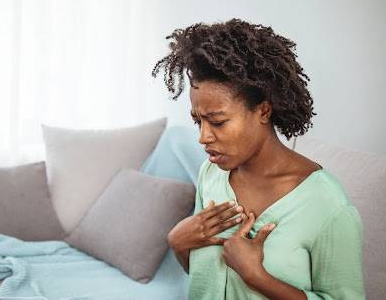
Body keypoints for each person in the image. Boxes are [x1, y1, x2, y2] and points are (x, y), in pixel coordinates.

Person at [151, 18, 365, 299]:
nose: (203, 137)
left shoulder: (328, 206)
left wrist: (258, 277)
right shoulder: (211, 174)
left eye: (217, 121)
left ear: (263, 111)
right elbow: (209, 277)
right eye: (198, 121)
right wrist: (178, 244)